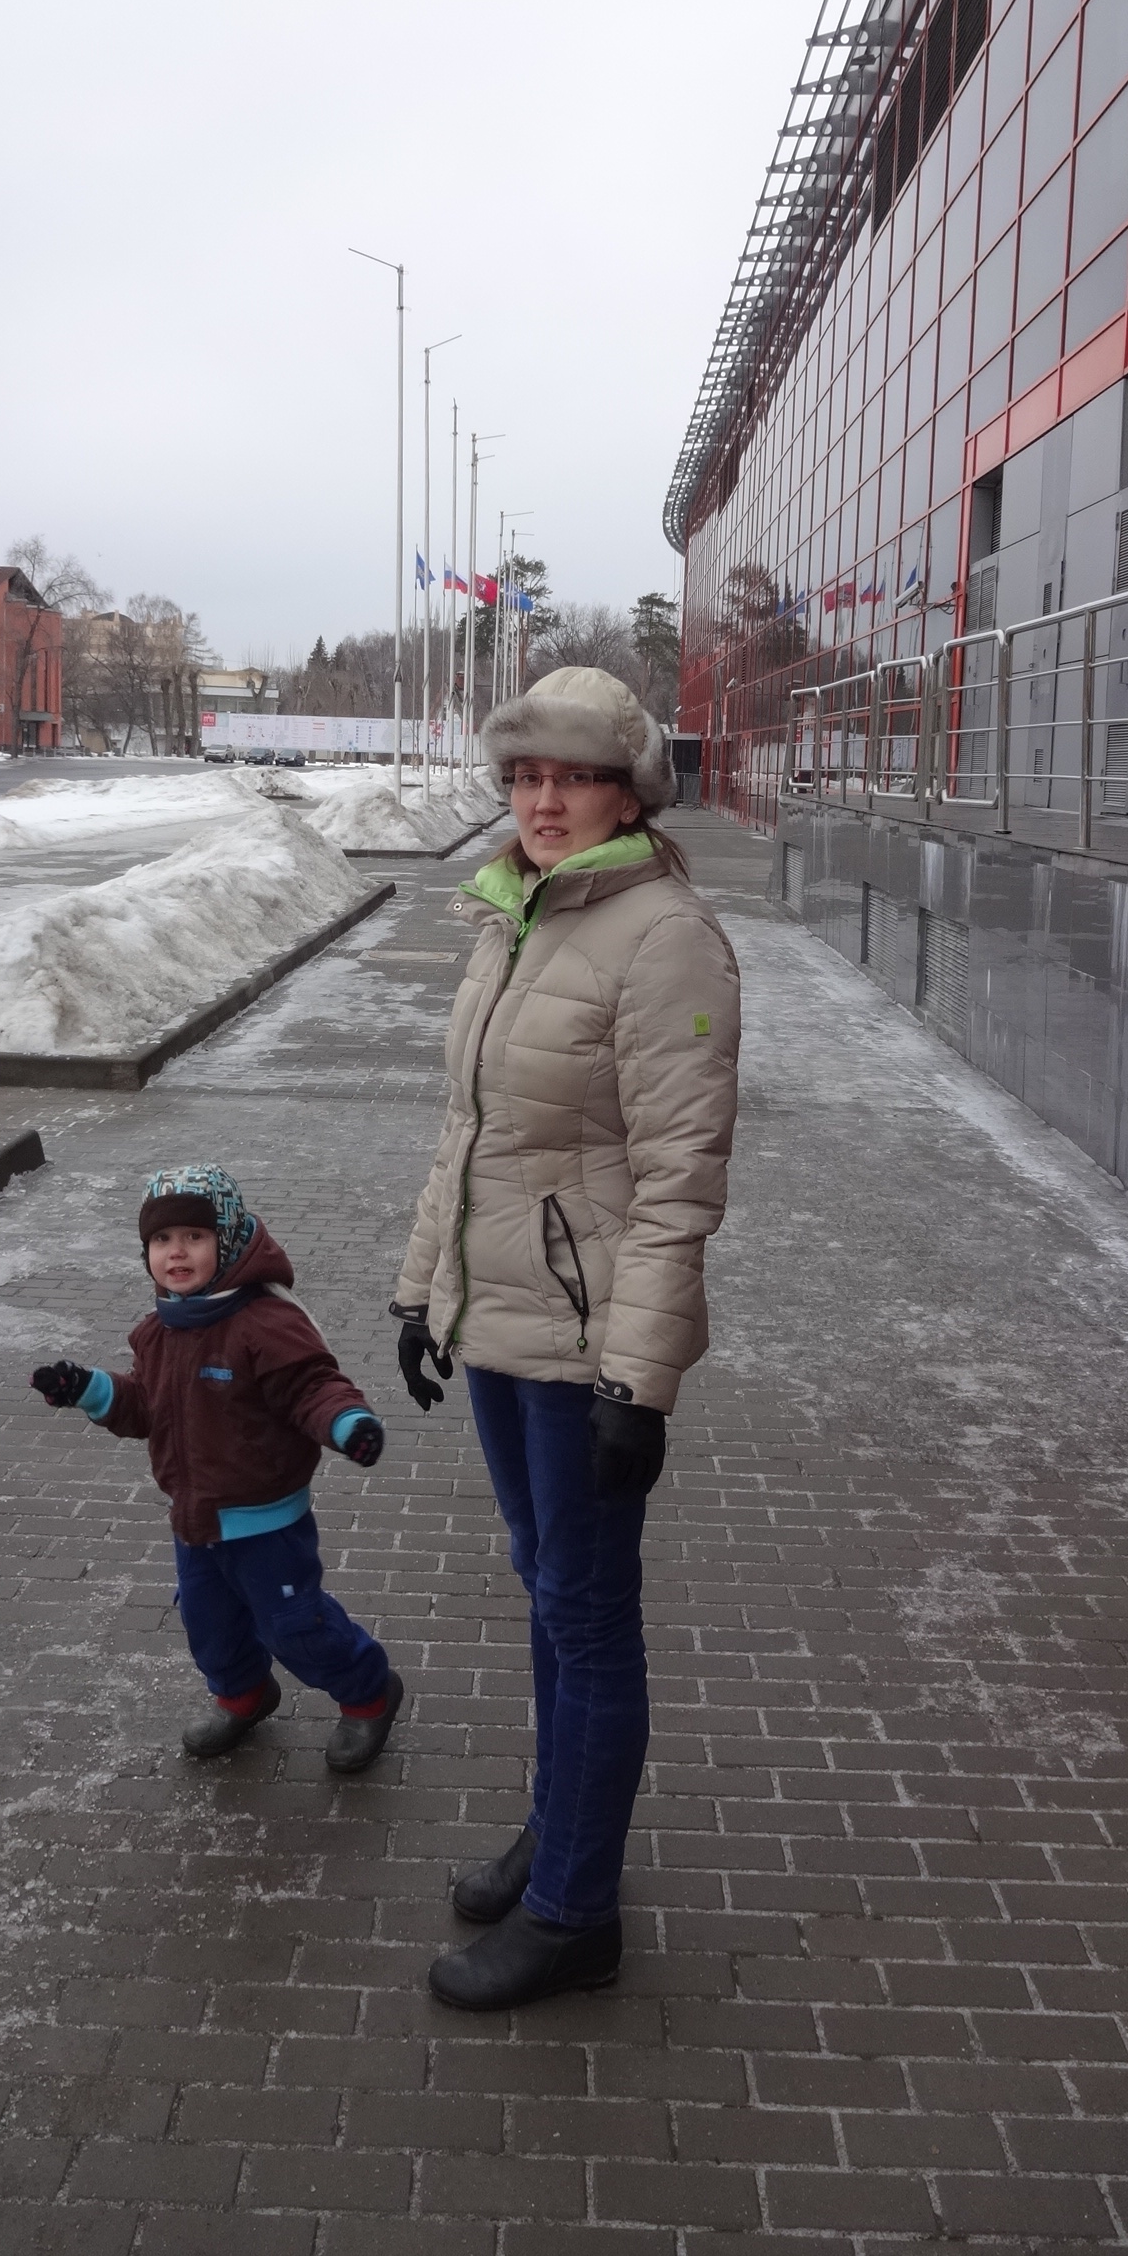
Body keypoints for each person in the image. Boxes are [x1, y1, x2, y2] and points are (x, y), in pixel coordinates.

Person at [393, 665, 741, 2010]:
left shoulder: (665, 938)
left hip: (586, 1344)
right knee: (546, 1589)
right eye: (526, 776)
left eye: (574, 778)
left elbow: (678, 1178)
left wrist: (637, 1383)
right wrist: (421, 1289)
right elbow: (473, 1131)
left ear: (627, 794)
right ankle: (559, 1829)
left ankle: (576, 1912)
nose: (543, 801)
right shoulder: (517, 912)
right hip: (500, 1320)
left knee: (588, 1618)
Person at [33, 1160, 402, 1774]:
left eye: (194, 1236)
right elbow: (145, 1407)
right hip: (195, 1517)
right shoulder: (158, 1331)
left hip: (266, 1522)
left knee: (293, 1625)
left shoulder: (265, 1322)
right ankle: (243, 1694)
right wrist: (90, 1389)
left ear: (227, 1241)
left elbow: (312, 1386)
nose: (176, 1251)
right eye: (161, 1239)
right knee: (209, 1621)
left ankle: (368, 1693)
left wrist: (347, 1424)